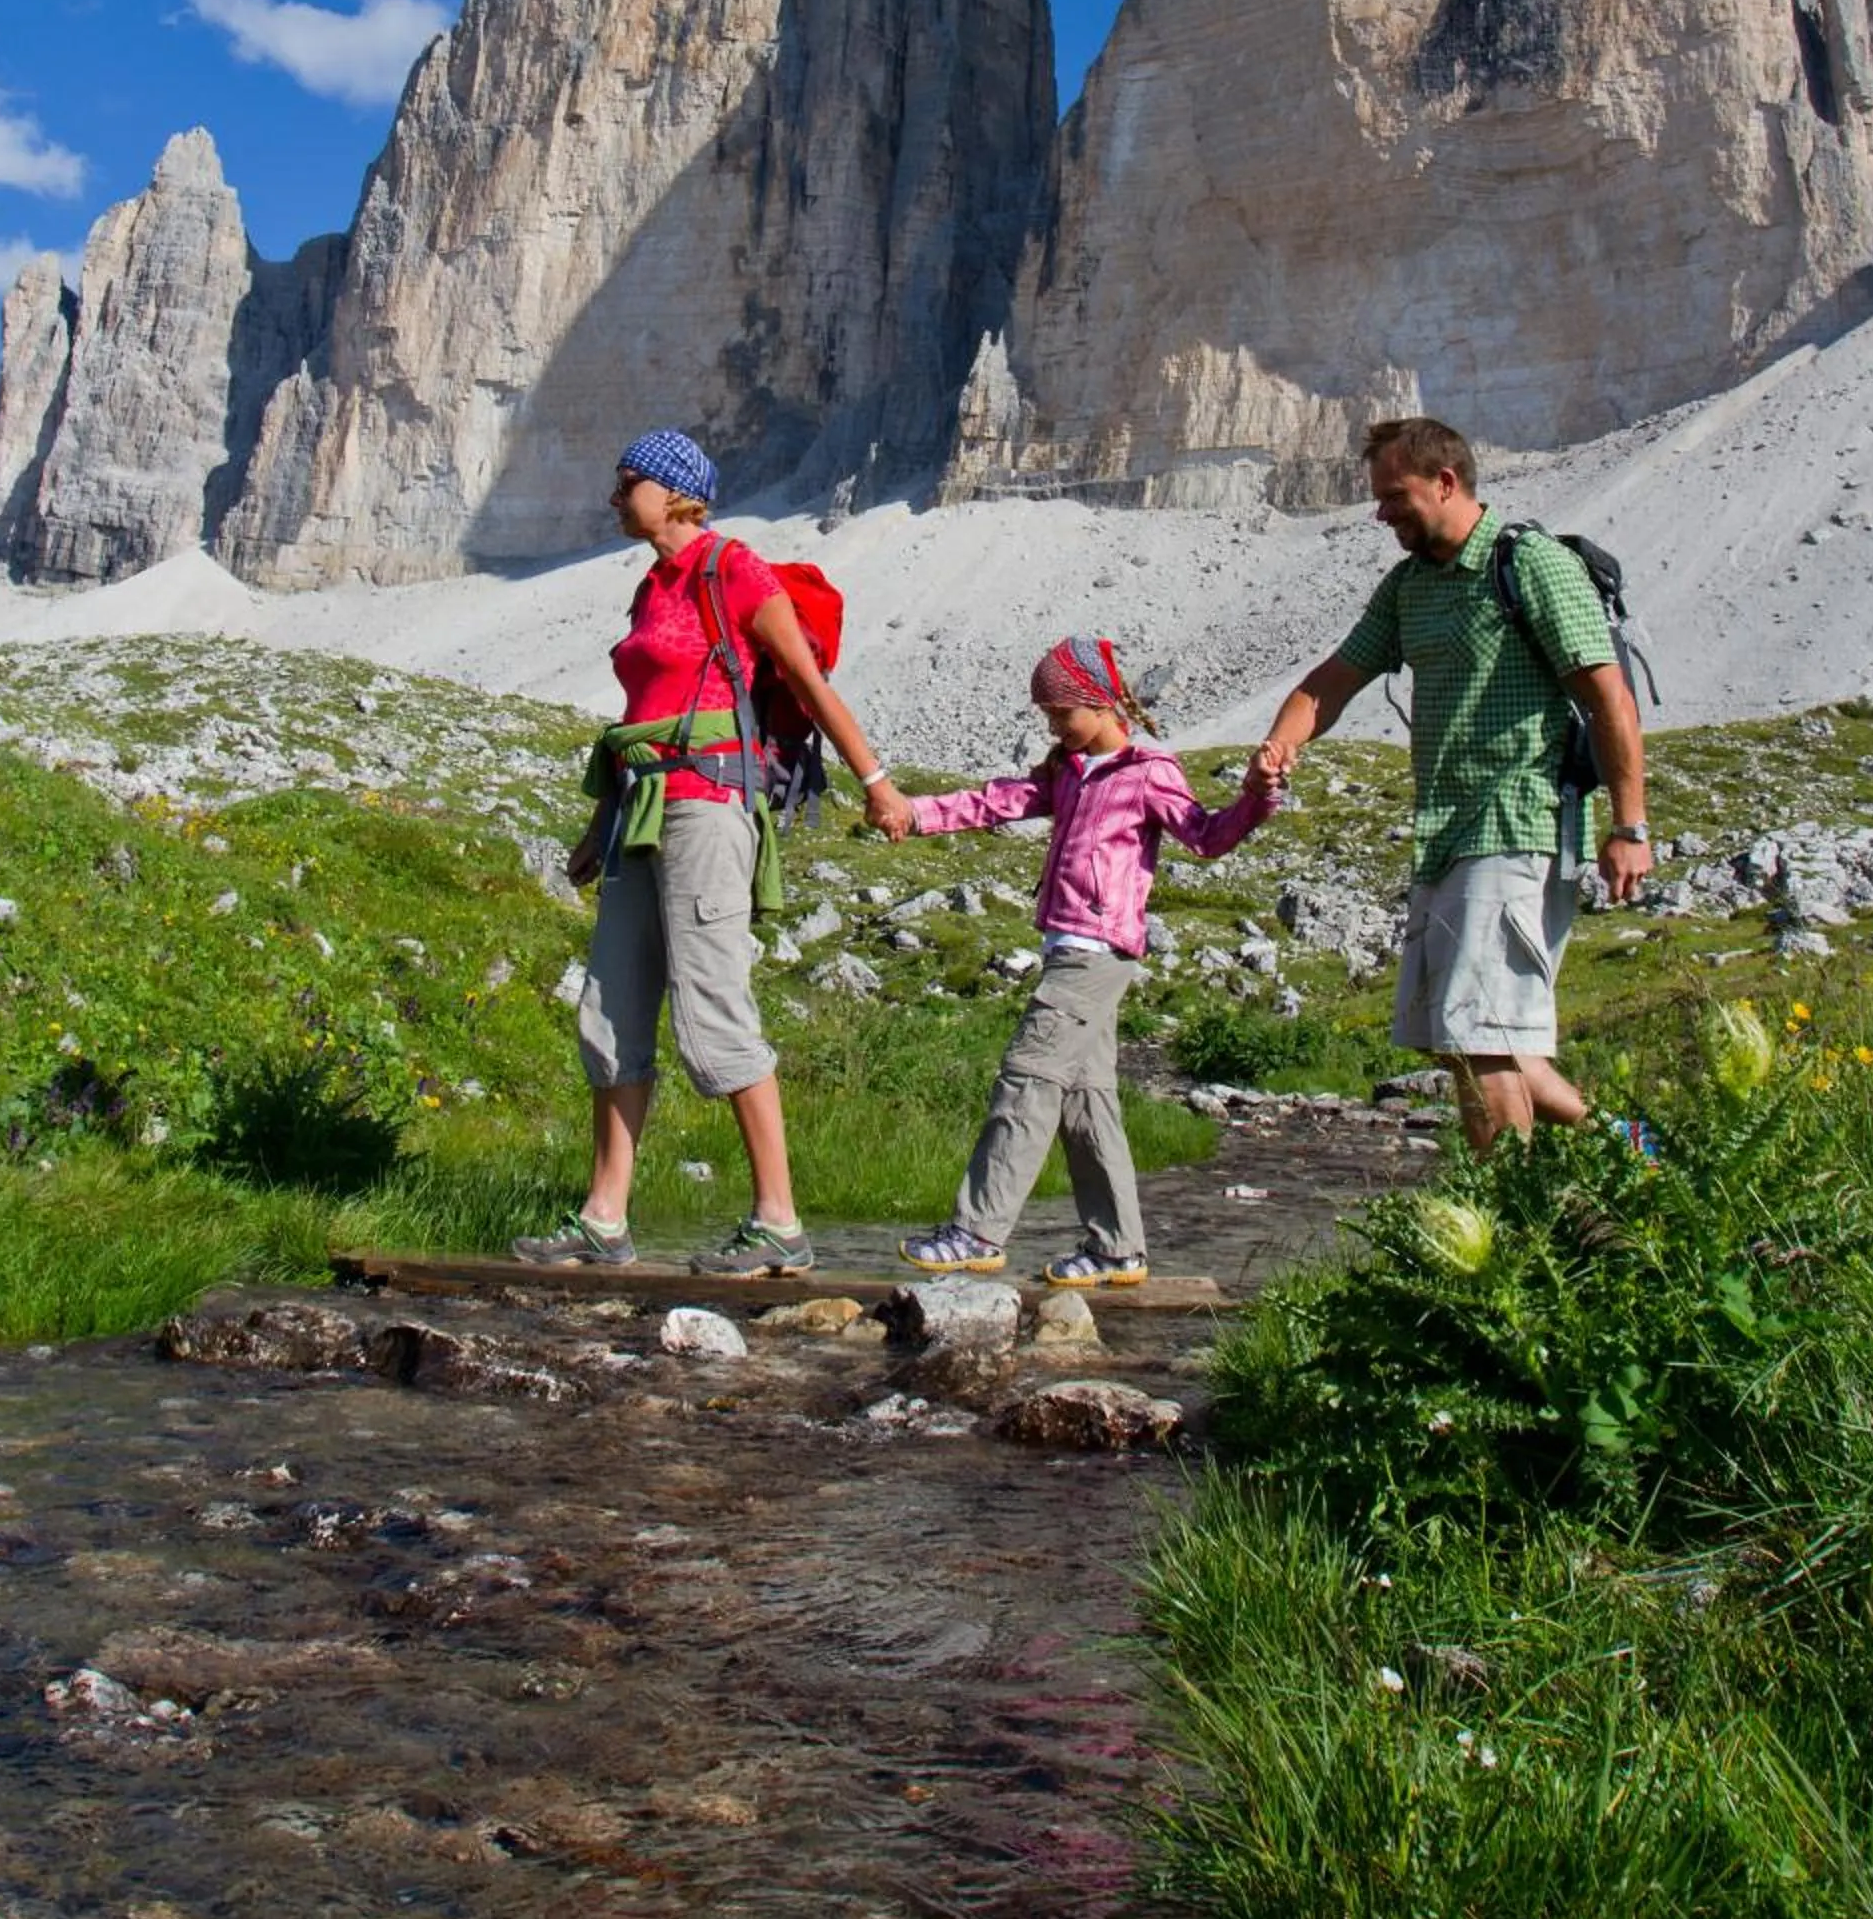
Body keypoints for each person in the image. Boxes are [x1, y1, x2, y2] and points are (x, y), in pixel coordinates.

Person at [514, 428, 909, 1277]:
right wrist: (595, 829)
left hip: (708, 808)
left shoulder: (732, 569)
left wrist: (876, 783)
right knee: (611, 1010)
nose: (615, 496)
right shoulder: (650, 587)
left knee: (714, 1008)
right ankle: (604, 1220)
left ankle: (779, 1222)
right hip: (639, 814)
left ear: (675, 491)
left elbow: (807, 682)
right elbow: (638, 718)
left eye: (628, 483)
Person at [1255, 418, 1652, 1156]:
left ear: (1446, 481)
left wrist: (1629, 828)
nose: (1382, 513)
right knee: (1454, 1034)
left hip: (1517, 821)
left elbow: (1608, 698)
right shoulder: (1408, 587)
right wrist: (1283, 741)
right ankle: (1629, 1144)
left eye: (1394, 496)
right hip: (1443, 834)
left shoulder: (1529, 564)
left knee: (1478, 1034)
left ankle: (1509, 1229)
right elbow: (1333, 681)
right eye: (1378, 499)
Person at [886, 636, 1281, 1287]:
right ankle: (1116, 1249)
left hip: (1098, 953)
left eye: (1059, 713)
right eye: (1045, 716)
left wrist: (1259, 798)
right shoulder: (1066, 771)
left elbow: (1208, 837)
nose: (1052, 727)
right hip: (1067, 947)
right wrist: (915, 813)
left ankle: (976, 1231)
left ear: (1097, 701)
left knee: (1027, 1074)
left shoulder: (1148, 772)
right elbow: (995, 802)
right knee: (1084, 1104)